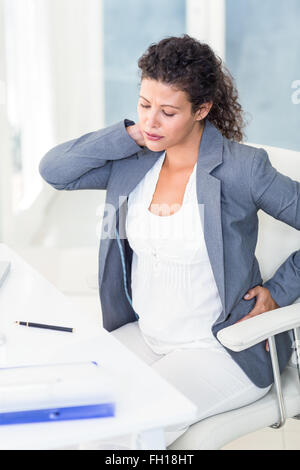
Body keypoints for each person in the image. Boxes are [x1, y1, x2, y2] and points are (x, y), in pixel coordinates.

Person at [39, 34, 300, 449]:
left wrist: (281, 290)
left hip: (222, 348)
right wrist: (128, 135)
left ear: (202, 109)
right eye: (144, 105)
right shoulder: (133, 162)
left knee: (126, 432)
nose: (151, 123)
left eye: (168, 111)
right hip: (147, 335)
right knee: (55, 402)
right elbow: (55, 170)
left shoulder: (242, 169)